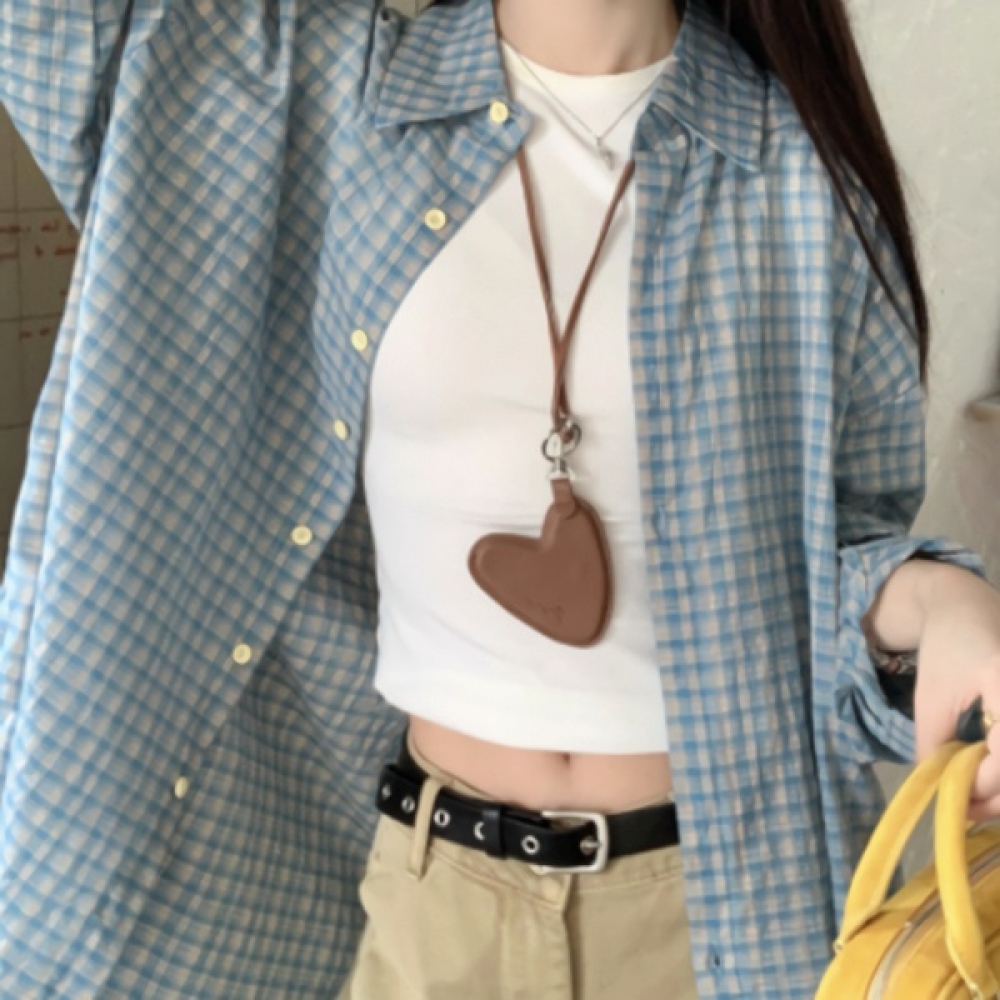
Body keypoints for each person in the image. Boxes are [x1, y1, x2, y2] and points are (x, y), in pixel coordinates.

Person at [1, 0, 998, 997]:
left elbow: (824, 569)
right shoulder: (304, 95)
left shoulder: (801, 177)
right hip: (430, 904)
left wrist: (941, 602)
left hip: (731, 913)